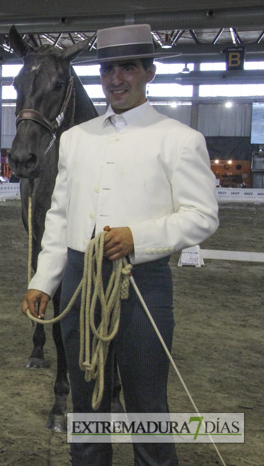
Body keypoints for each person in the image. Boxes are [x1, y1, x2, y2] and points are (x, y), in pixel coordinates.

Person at [20, 24, 219, 465]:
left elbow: (203, 215)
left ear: (148, 72)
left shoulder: (180, 139)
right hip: (77, 280)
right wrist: (44, 280)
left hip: (141, 285)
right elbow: (58, 217)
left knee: (147, 408)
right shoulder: (73, 139)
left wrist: (140, 238)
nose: (115, 79)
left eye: (127, 67)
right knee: (86, 409)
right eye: (108, 69)